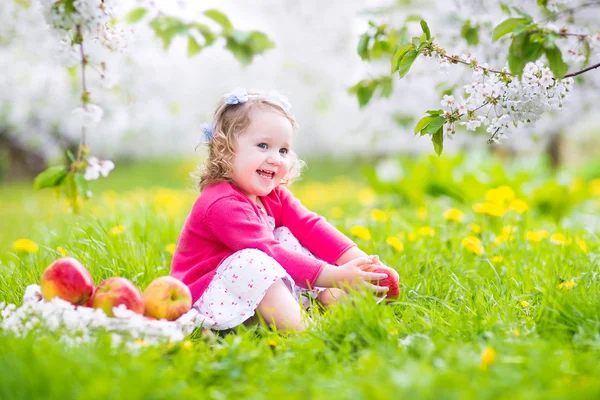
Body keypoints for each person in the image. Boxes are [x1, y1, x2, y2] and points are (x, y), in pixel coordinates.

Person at [170, 88, 398, 332]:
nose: (275, 158)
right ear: (224, 149)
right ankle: (307, 331)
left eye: (283, 150)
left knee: (290, 235)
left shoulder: (272, 195)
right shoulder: (221, 203)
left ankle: (329, 298)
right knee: (256, 259)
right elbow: (269, 253)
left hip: (258, 295)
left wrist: (362, 263)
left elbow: (312, 227)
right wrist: (335, 275)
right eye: (263, 145)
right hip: (207, 298)